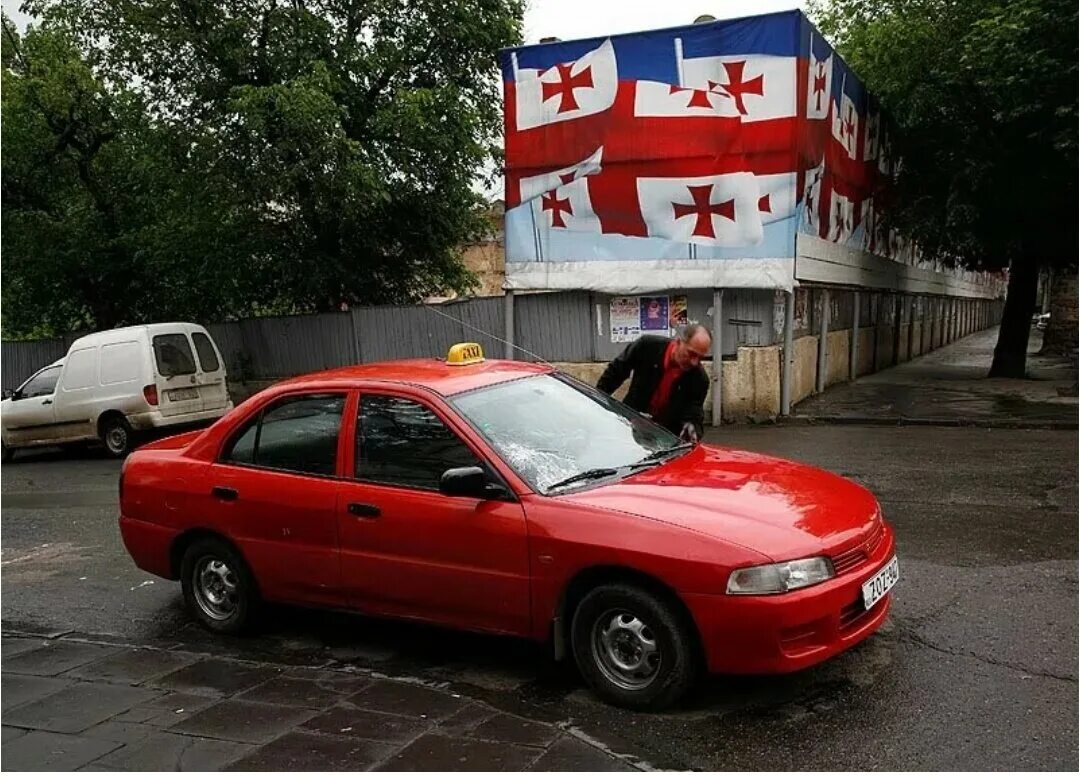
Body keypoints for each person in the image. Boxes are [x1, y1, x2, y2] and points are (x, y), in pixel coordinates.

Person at [597, 324, 712, 442]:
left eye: (700, 358)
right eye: (691, 354)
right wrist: (596, 404)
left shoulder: (699, 379)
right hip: (629, 426)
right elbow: (614, 373)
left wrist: (692, 428)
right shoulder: (646, 346)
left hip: (665, 439)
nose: (694, 362)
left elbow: (694, 413)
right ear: (678, 342)